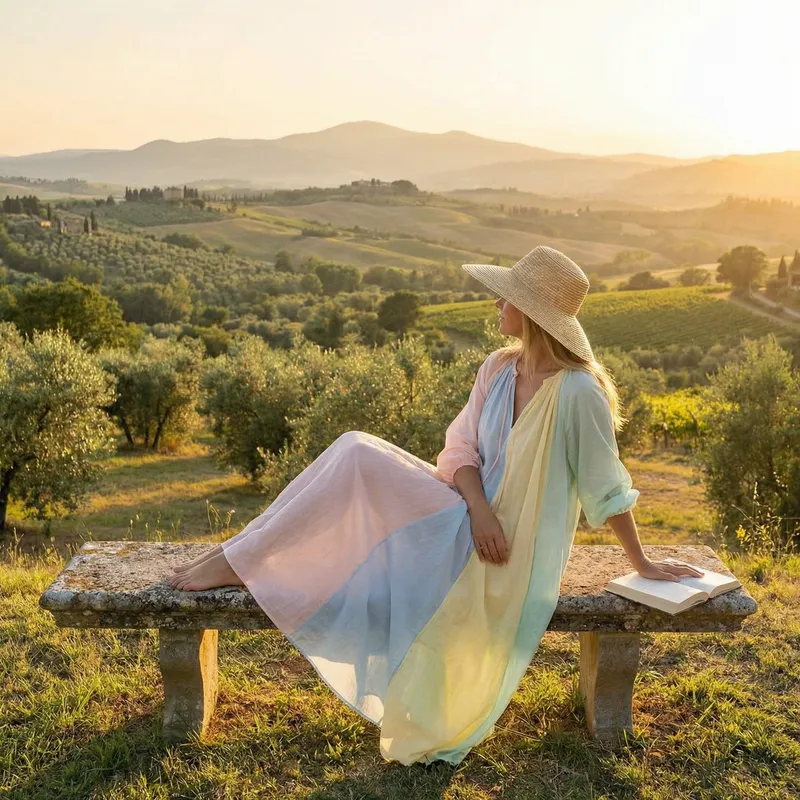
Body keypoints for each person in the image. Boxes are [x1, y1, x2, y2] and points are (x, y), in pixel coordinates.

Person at [167, 245, 703, 765]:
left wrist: (643, 564)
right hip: (468, 514)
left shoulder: (579, 393)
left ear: (534, 314)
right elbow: (459, 449)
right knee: (355, 448)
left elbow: (607, 489)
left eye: (506, 297)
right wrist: (477, 507)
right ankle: (242, 557)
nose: (496, 303)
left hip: (508, 551)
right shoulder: (497, 368)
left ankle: (240, 560)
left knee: (356, 451)